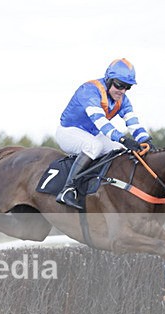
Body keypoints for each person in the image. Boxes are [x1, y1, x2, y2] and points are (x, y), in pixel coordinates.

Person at [55, 58, 154, 210]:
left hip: (91, 133)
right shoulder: (89, 90)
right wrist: (122, 138)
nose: (122, 91)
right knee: (95, 146)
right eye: (119, 85)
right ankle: (68, 189)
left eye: (127, 87)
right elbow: (100, 121)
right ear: (108, 79)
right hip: (69, 132)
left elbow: (133, 122)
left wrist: (145, 140)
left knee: (120, 149)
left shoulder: (123, 99)